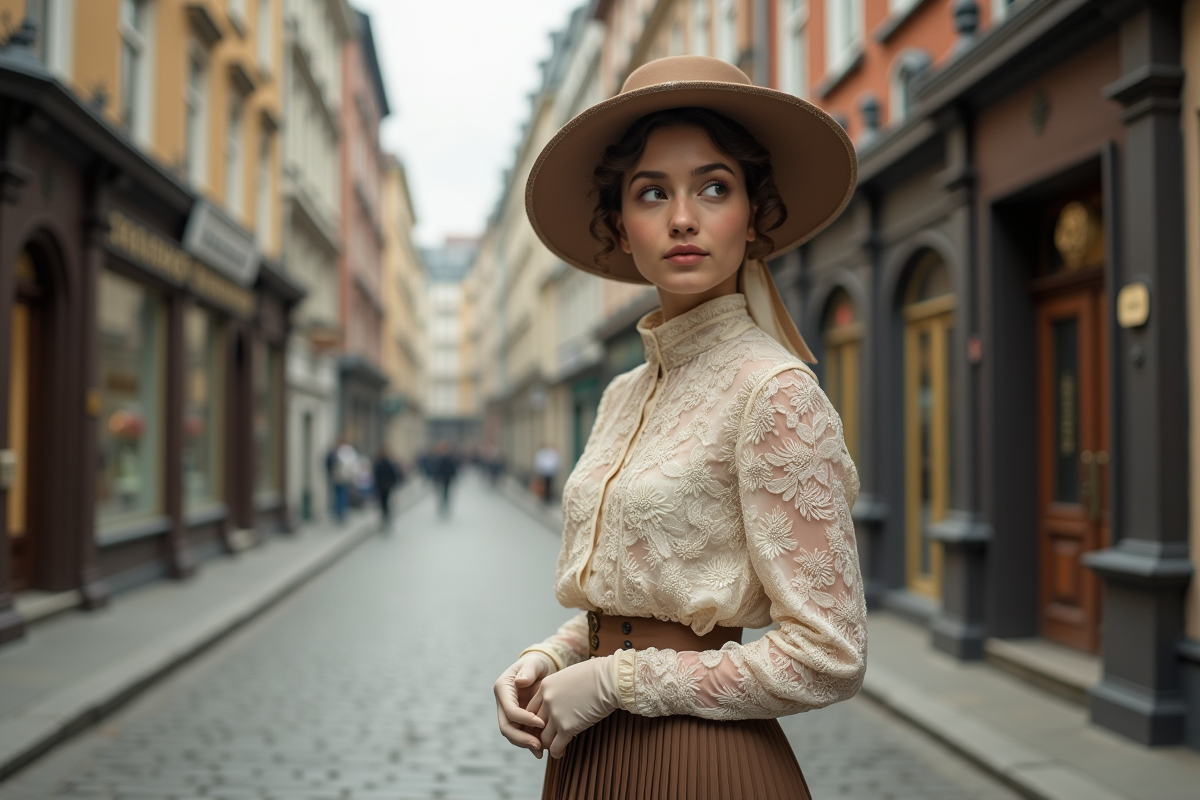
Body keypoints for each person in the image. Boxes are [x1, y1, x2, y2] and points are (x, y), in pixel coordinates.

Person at [492, 56, 865, 799]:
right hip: (588, 762)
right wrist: (552, 656)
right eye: (652, 192)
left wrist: (618, 682)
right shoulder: (621, 395)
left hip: (703, 767)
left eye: (714, 187)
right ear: (621, 228)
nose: (683, 217)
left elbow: (829, 655)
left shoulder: (775, 391)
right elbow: (639, 598)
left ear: (752, 217)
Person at [325, 436, 357, 525]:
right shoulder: (343, 452)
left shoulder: (335, 452)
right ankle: (340, 513)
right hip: (342, 478)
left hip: (338, 478)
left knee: (339, 495)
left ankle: (339, 513)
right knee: (341, 495)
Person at [372, 446, 402, 532]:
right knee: (386, 503)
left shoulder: (378, 464)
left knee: (383, 503)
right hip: (387, 486)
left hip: (381, 487)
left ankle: (385, 517)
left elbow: (375, 476)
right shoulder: (389, 463)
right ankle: (386, 517)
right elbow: (394, 476)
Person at [427, 440, 459, 517]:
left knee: (445, 493)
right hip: (439, 478)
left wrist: (453, 476)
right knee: (439, 493)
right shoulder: (436, 457)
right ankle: (441, 507)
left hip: (446, 478)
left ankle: (445, 507)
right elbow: (433, 468)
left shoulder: (449, 457)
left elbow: (453, 468)